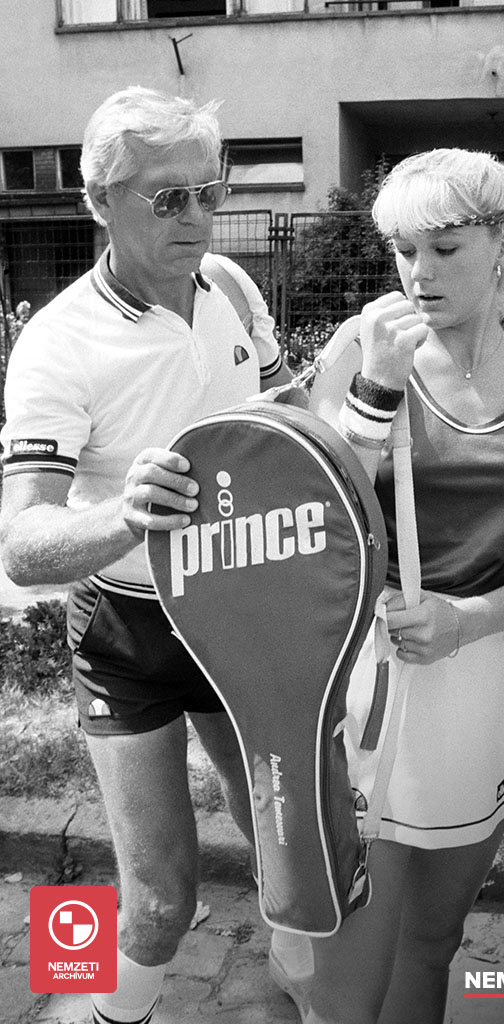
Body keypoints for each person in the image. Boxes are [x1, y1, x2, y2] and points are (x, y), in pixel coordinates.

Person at [0, 86, 297, 1024]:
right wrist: (127, 517)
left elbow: (291, 415)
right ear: (100, 202)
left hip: (241, 605)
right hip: (130, 627)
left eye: (209, 191)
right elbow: (22, 546)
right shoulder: (57, 343)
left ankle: (306, 994)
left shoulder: (233, 287)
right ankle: (87, 1006)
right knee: (160, 903)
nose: (197, 217)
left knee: (295, 854)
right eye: (168, 198)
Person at [305, 148, 504, 1023]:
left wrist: (468, 620)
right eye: (404, 251)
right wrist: (375, 390)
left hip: (482, 671)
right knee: (349, 974)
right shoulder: (361, 349)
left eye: (444, 249)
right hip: (366, 674)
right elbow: (313, 518)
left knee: (432, 942)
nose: (418, 274)